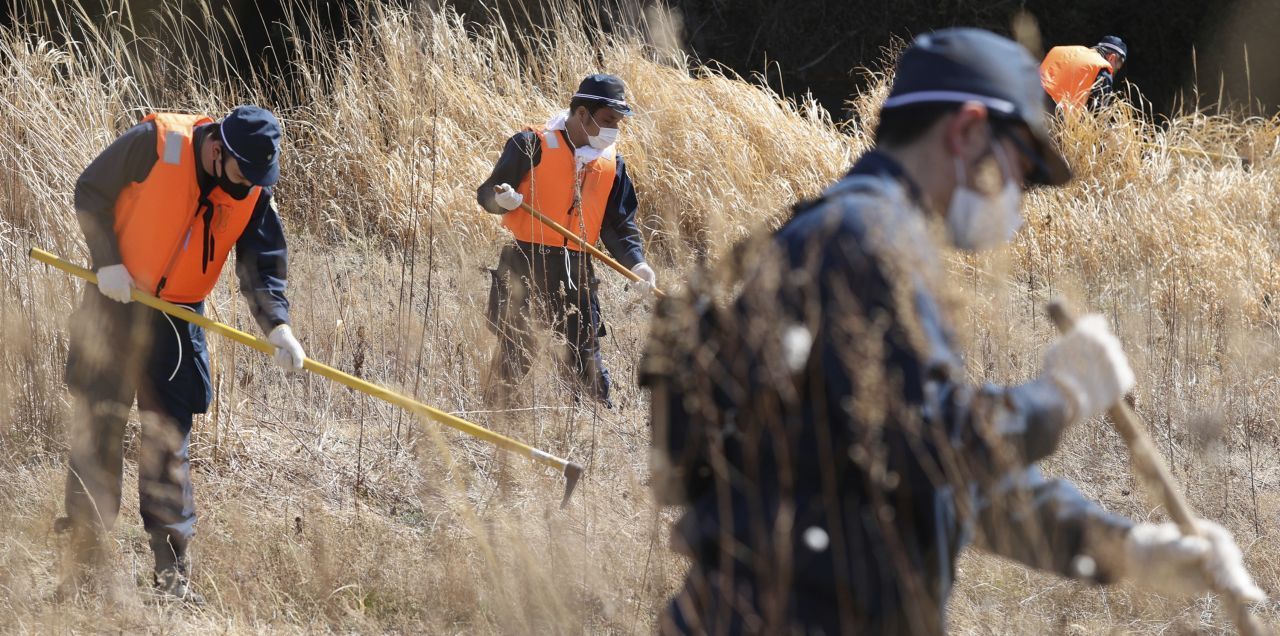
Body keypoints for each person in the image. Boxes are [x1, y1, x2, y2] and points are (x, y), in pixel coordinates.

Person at [641, 29, 1262, 634]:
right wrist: (1062, 394)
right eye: (1021, 166)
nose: (1020, 195)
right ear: (967, 132)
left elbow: (935, 475)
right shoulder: (866, 240)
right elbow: (937, 444)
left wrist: (1131, 550)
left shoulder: (870, 232)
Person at [57, 106, 306, 603]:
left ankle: (172, 578)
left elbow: (262, 262)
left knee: (167, 444)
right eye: (243, 173)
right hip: (115, 300)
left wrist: (276, 324)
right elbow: (90, 189)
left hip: (178, 319)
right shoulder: (155, 142)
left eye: (259, 177)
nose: (248, 184)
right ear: (218, 150)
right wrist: (107, 262)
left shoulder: (254, 187)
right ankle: (84, 570)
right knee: (97, 429)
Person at [476, 74, 657, 409]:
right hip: (525, 261)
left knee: (585, 356)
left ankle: (596, 421)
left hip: (576, 267)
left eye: (617, 123)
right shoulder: (531, 144)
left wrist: (638, 264)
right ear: (583, 114)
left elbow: (619, 225)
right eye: (607, 121)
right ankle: (497, 422)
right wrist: (503, 200)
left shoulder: (612, 164)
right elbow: (487, 193)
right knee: (517, 350)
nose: (613, 130)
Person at [1041, 35, 1127, 109]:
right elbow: (1098, 117)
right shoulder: (1102, 69)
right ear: (1112, 58)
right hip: (1051, 117)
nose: (1112, 73)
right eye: (1116, 69)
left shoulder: (1060, 50)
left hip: (1030, 99)